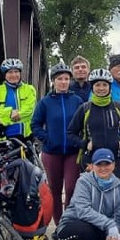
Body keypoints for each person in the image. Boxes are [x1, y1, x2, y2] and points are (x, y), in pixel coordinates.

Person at [55, 148, 120, 240]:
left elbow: (118, 217)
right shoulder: (84, 182)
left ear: (114, 165)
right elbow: (82, 211)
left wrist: (114, 231)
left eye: (107, 164)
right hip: (71, 229)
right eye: (99, 164)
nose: (103, 168)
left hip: (97, 230)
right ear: (92, 166)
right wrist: (109, 224)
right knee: (86, 230)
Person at [30, 63, 84, 224]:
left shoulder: (77, 100)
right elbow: (35, 124)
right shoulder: (45, 102)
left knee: (71, 188)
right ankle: (58, 223)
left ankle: (69, 221)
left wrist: (80, 141)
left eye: (66, 79)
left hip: (73, 151)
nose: (63, 82)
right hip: (51, 152)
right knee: (54, 189)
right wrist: (47, 138)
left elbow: (84, 123)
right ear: (53, 81)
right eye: (60, 79)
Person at [66, 68, 120, 182]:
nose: (101, 88)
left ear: (109, 87)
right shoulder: (85, 108)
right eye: (97, 85)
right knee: (91, 195)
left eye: (104, 85)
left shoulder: (118, 107)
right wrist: (85, 144)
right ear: (92, 88)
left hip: (114, 158)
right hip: (90, 159)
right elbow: (70, 133)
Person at [0, 58, 37, 141]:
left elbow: (29, 112)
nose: (14, 75)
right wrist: (9, 113)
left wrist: (3, 120)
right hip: (4, 137)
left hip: (26, 137)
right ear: (5, 74)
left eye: (16, 72)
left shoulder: (29, 89)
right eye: (10, 72)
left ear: (20, 73)